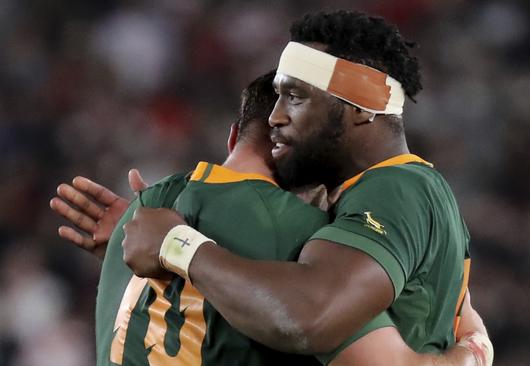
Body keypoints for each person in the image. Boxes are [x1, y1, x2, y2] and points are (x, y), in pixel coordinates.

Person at [120, 10, 492, 366]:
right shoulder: (394, 192)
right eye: (279, 95)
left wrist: (176, 244)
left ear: (363, 107)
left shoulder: (397, 187)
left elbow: (310, 317)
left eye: (295, 97)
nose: (274, 117)